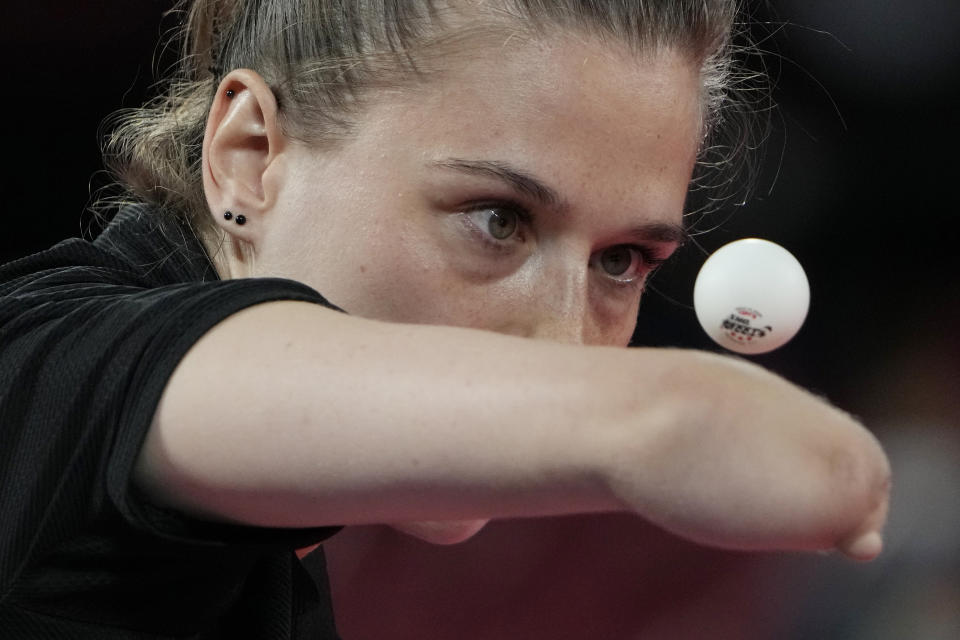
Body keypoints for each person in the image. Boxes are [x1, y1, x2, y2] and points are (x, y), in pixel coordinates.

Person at [0, 1, 890, 638]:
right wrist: (684, 417)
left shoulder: (274, 553)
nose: (566, 344)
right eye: (498, 219)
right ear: (251, 156)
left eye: (620, 262)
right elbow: (661, 421)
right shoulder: (55, 361)